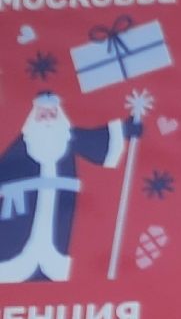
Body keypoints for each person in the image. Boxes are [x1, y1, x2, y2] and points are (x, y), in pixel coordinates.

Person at [0, 90, 141, 283]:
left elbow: (95, 141)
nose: (48, 119)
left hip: (58, 209)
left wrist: (125, 130)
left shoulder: (67, 138)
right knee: (18, 256)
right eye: (43, 114)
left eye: (52, 114)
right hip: (21, 212)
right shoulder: (23, 143)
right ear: (35, 116)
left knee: (53, 250)